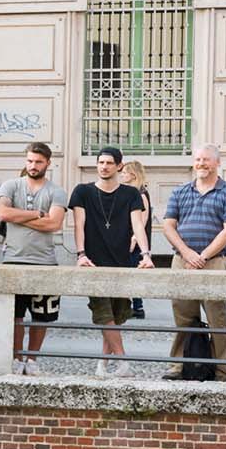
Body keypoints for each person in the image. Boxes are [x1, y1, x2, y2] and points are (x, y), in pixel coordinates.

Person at [160, 143, 226, 381]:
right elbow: (168, 225)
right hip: (182, 261)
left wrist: (202, 256)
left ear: (217, 163)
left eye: (206, 160)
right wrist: (187, 253)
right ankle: (179, 366)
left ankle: (221, 370)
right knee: (183, 316)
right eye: (198, 160)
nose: (201, 164)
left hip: (215, 262)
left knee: (217, 318)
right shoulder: (180, 192)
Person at [65, 146, 150, 378]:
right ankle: (123, 362)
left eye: (109, 163)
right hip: (93, 263)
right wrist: (81, 254)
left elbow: (138, 226)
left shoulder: (131, 194)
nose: (104, 166)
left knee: (116, 315)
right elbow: (78, 225)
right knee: (103, 313)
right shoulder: (83, 191)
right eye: (101, 162)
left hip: (122, 262)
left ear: (119, 166)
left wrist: (146, 255)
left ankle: (102, 364)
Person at [0, 141, 65, 375]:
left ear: (48, 163)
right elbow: (3, 213)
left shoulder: (56, 191)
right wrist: (37, 214)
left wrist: (19, 217)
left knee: (42, 316)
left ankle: (32, 359)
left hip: (45, 261)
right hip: (14, 259)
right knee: (15, 315)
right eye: (29, 161)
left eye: (38, 162)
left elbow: (54, 223)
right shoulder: (11, 186)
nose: (33, 165)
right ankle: (16, 358)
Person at [121, 159, 153, 319]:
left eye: (125, 173)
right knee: (129, 273)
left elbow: (143, 219)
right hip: (131, 241)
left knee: (133, 274)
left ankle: (138, 308)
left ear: (133, 175)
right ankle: (132, 306)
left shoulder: (141, 194)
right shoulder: (132, 192)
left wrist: (134, 240)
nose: (122, 175)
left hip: (136, 244)